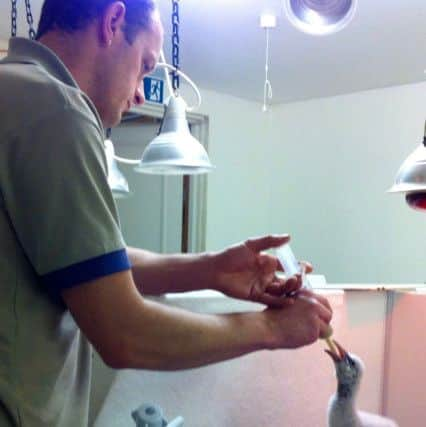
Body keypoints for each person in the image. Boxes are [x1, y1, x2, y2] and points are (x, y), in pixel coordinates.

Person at [0, 0, 333, 426]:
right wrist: (272, 330)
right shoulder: (57, 108)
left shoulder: (15, 92)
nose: (140, 92)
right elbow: (125, 333)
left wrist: (211, 269)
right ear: (113, 21)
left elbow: (91, 265)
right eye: (144, 64)